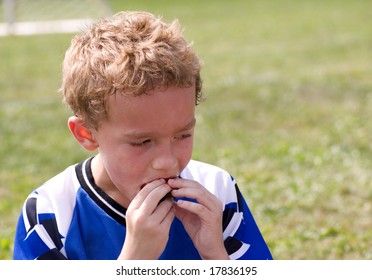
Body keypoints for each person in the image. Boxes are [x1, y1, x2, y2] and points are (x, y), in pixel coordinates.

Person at [13, 11, 272, 260]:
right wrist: (133, 261)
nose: (167, 162)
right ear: (86, 134)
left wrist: (214, 254)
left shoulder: (217, 192)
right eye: (142, 142)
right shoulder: (51, 213)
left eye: (182, 135)